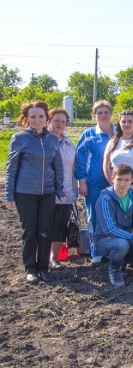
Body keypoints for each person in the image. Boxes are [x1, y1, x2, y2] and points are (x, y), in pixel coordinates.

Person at [6, 101, 65, 284]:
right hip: (25, 193)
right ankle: (30, 268)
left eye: (40, 116)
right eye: (33, 117)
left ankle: (43, 267)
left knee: (45, 231)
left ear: (46, 117)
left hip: (47, 193)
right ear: (26, 119)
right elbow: (11, 168)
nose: (37, 120)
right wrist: (9, 193)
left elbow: (58, 166)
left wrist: (59, 189)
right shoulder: (19, 139)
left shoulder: (52, 139)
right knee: (30, 231)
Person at [94, 164, 133, 288]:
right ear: (113, 179)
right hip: (105, 240)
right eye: (119, 179)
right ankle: (114, 269)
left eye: (126, 180)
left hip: (129, 238)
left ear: (132, 180)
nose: (122, 183)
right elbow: (110, 229)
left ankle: (123, 260)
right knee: (121, 245)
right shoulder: (105, 199)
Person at [76, 100, 115, 265]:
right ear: (94, 115)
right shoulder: (88, 135)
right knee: (95, 217)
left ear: (111, 113)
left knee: (114, 217)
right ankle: (96, 250)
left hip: (116, 183)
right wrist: (82, 182)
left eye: (106, 112)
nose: (103, 115)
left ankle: (112, 249)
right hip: (94, 183)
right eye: (99, 113)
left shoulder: (120, 132)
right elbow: (80, 160)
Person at [48, 108, 78, 270]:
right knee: (43, 226)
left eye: (63, 122)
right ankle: (41, 257)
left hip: (65, 192)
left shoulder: (69, 144)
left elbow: (73, 169)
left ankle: (54, 257)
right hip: (45, 192)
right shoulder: (43, 141)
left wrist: (74, 190)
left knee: (60, 226)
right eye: (56, 120)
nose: (60, 124)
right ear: (49, 121)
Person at [103, 110, 133, 206]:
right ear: (119, 123)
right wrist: (113, 185)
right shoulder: (112, 143)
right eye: (123, 121)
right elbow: (106, 166)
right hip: (116, 185)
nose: (126, 124)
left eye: (130, 121)